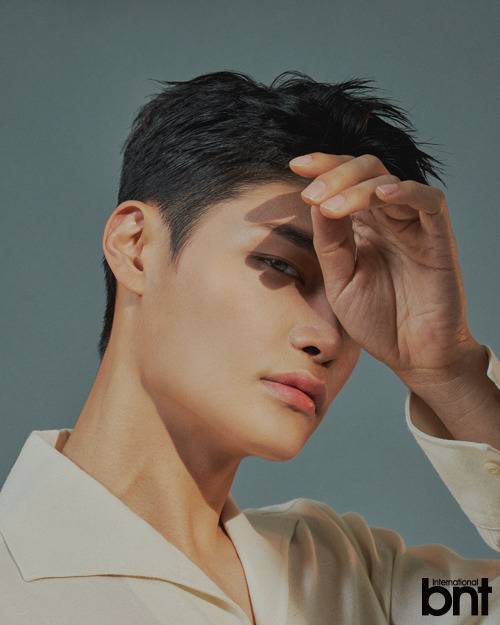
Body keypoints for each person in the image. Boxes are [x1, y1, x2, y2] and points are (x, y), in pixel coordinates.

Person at [0, 70, 499, 625]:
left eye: (348, 306)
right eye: (281, 265)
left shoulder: (357, 582)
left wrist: (449, 370)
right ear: (136, 246)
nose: (327, 338)